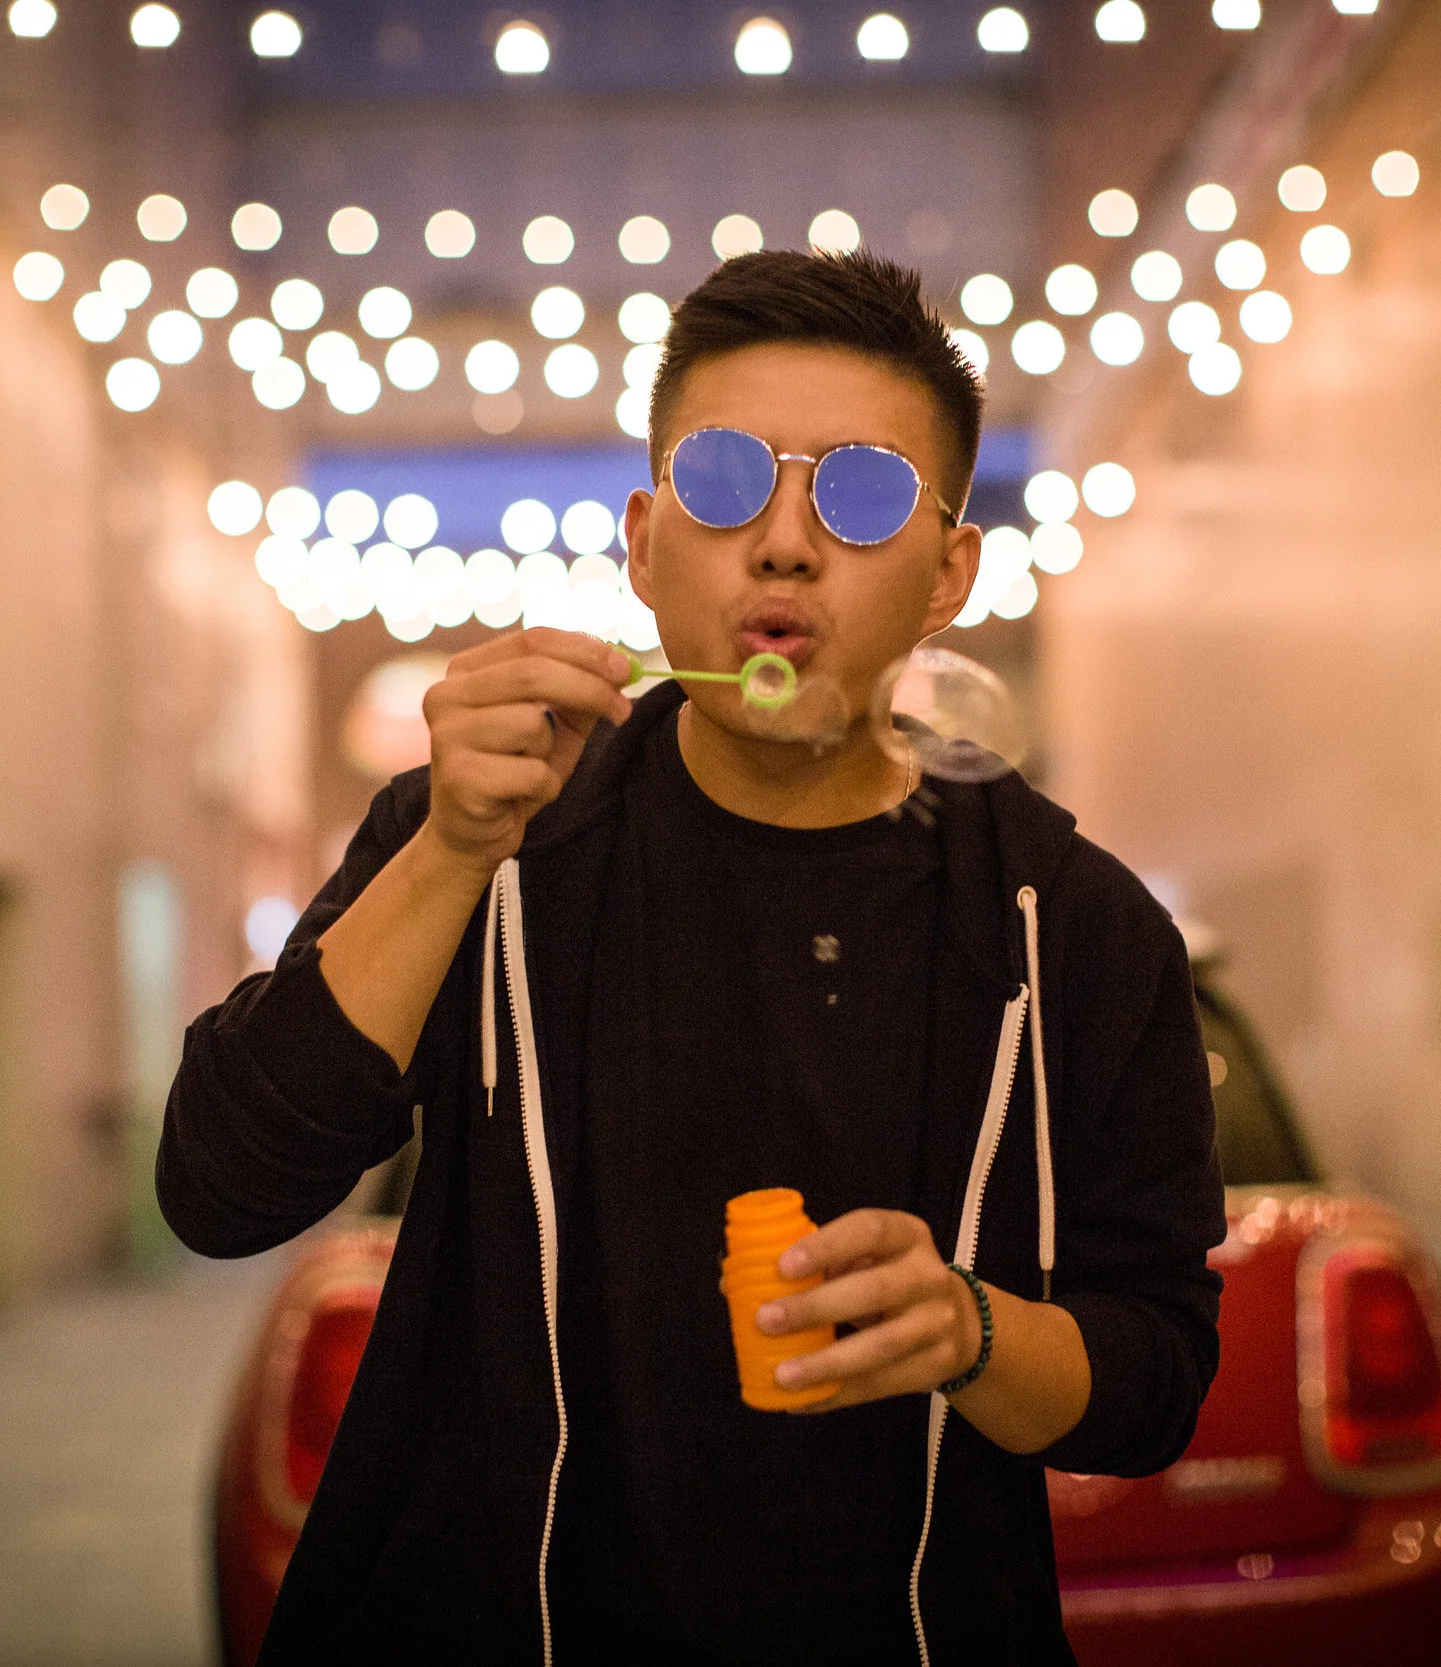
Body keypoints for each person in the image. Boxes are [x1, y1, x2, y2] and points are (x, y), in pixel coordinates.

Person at [159, 249, 1227, 1664]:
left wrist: (970, 1332)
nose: (784, 543)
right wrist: (454, 851)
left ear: (949, 572)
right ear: (647, 542)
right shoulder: (487, 841)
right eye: (728, 482)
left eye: (857, 494)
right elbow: (221, 1186)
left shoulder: (1070, 925)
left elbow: (1154, 1378)